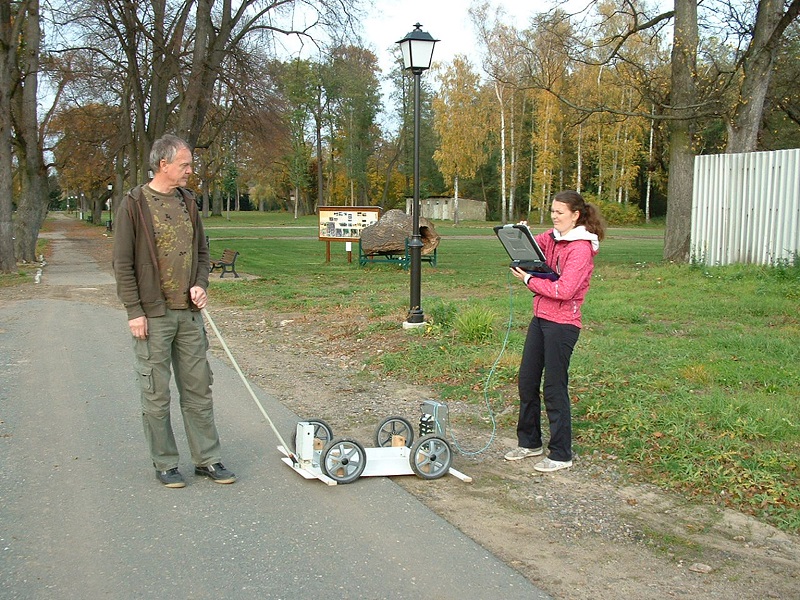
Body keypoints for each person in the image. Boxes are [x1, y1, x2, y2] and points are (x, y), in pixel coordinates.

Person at [113, 134, 236, 488]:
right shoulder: (134, 204)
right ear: (163, 164)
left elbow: (201, 251)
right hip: (153, 316)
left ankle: (207, 459)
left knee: (199, 389)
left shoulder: (188, 202)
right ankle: (165, 462)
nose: (189, 171)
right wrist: (134, 310)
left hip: (189, 315)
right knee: (156, 393)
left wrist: (201, 283)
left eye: (190, 164)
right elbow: (122, 263)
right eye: (184, 164)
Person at [504, 190, 605, 473]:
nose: (554, 216)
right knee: (527, 381)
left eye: (560, 212)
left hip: (563, 324)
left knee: (554, 388)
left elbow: (564, 290)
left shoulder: (580, 248)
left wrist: (528, 280)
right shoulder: (555, 237)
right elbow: (533, 247)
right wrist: (520, 235)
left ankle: (561, 453)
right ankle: (530, 442)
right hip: (541, 318)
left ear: (576, 216)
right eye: (552, 211)